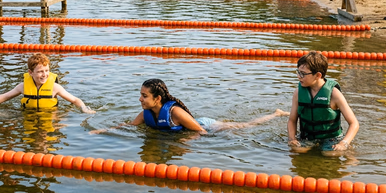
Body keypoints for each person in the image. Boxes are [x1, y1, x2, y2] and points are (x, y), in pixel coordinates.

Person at [93, 78, 287, 134]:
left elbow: (200, 132)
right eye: (140, 95)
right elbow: (130, 126)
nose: (140, 99)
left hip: (206, 125)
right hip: (191, 128)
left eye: (144, 96)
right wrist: (104, 130)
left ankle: (275, 114)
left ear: (158, 98)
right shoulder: (145, 114)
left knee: (245, 126)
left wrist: (181, 144)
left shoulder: (175, 112)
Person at [0, 53, 95, 113]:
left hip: (50, 114)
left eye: (47, 71)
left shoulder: (54, 87)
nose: (45, 74)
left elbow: (74, 100)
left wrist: (84, 108)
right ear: (30, 72)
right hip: (28, 114)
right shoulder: (23, 87)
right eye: (40, 72)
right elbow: (3, 97)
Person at [287, 52, 359, 153]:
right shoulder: (298, 93)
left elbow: (354, 123)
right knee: (297, 150)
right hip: (307, 137)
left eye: (303, 73)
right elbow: (292, 120)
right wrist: (292, 139)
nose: (299, 76)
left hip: (331, 138)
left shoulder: (334, 94)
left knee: (331, 154)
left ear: (318, 75)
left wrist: (344, 143)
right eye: (298, 72)